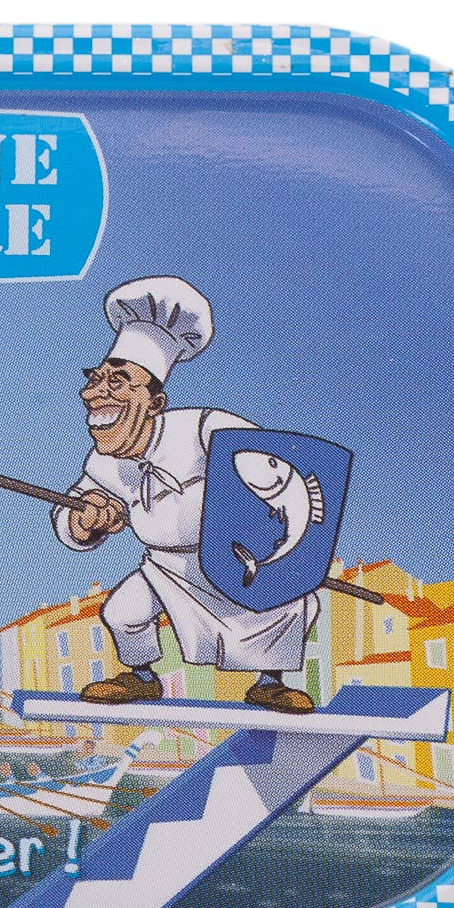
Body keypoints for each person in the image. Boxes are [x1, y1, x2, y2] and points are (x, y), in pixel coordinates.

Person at [53, 274, 320, 714]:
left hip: (234, 562)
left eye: (116, 383)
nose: (93, 394)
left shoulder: (205, 428)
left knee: (285, 609)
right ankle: (142, 677)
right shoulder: (103, 461)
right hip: (164, 567)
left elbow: (277, 465)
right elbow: (73, 512)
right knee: (122, 612)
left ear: (154, 404)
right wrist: (84, 520)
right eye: (94, 380)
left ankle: (271, 683)